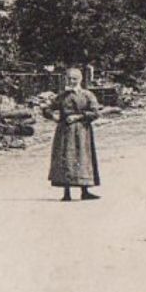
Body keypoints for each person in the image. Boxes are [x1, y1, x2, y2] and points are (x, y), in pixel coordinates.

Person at [44, 68, 101, 202]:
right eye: (68, 79)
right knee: (66, 158)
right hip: (65, 132)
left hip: (82, 131)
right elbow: (47, 109)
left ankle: (85, 191)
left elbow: (95, 113)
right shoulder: (62, 96)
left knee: (83, 158)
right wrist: (53, 116)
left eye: (74, 79)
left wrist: (78, 117)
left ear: (80, 79)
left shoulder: (87, 95)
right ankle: (66, 193)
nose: (71, 81)